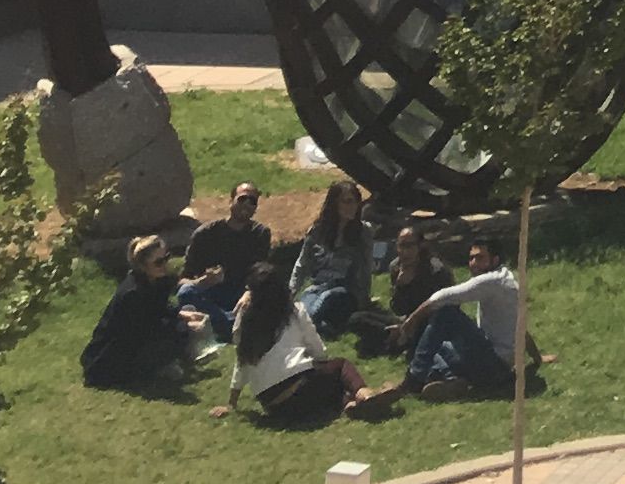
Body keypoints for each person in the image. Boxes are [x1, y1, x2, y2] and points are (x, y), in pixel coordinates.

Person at [226, 248, 402, 424]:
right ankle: (364, 394)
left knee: (329, 388)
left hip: (275, 406)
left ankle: (350, 404)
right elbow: (318, 350)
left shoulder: (245, 318)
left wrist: (232, 403)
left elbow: (242, 362)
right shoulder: (293, 311)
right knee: (340, 366)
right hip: (301, 385)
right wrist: (321, 364)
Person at [400, 238, 537, 400]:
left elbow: (443, 296)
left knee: (446, 313)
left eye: (480, 258)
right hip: (494, 366)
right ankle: (453, 380)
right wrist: (538, 358)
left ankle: (415, 380)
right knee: (429, 341)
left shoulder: (492, 280)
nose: (473, 263)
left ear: (495, 260)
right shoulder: (507, 280)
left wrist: (413, 319)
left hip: (493, 366)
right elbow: (518, 326)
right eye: (471, 258)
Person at [80, 233, 205, 393]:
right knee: (175, 335)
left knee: (184, 319)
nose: (164, 264)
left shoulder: (154, 281)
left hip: (135, 341)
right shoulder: (133, 293)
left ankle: (174, 359)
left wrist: (183, 315)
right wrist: (183, 325)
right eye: (158, 262)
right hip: (112, 356)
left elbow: (160, 308)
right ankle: (163, 365)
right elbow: (146, 329)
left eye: (166, 258)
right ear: (143, 265)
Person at [176, 180, 271, 334]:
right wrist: (203, 281)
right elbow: (183, 280)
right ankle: (231, 324)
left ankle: (215, 324)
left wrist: (249, 292)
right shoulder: (205, 234)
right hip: (211, 294)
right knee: (186, 292)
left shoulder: (260, 234)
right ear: (231, 201)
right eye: (242, 199)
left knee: (266, 296)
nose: (246, 205)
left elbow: (261, 274)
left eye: (252, 201)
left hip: (241, 294)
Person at [295, 178, 373, 335]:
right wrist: (292, 291)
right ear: (334, 204)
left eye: (355, 202)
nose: (352, 206)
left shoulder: (363, 232)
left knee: (325, 299)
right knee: (302, 310)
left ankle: (315, 326)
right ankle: (324, 328)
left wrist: (363, 299)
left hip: (346, 291)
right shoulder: (318, 231)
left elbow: (366, 267)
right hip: (318, 286)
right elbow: (302, 264)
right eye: (346, 202)